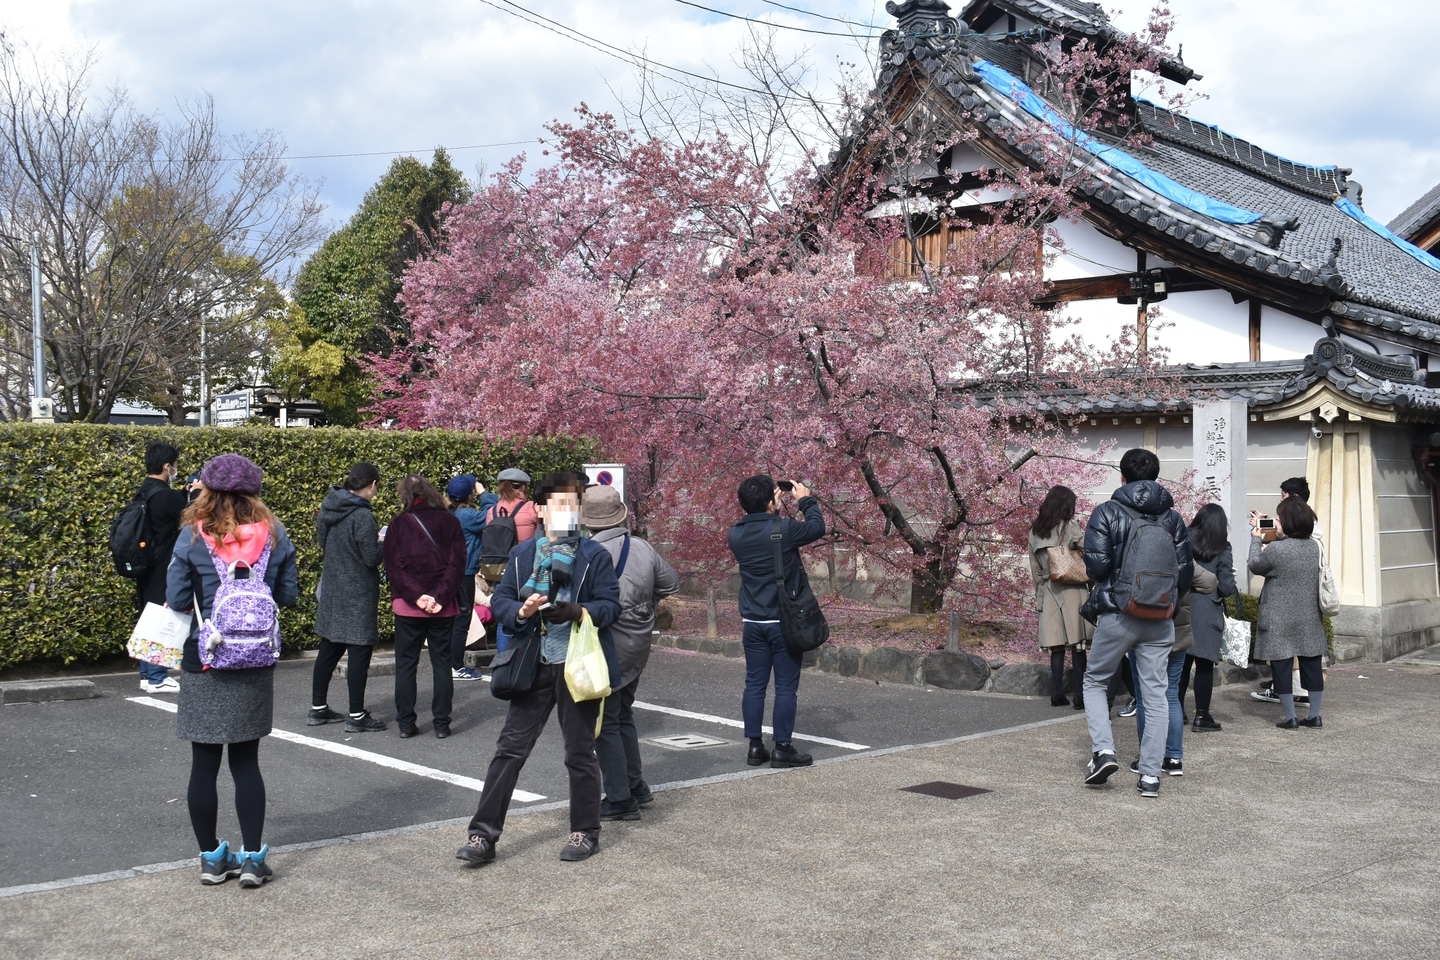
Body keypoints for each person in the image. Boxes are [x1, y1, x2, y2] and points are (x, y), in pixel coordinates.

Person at [458, 472, 622, 866]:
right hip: (532, 660)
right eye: (561, 504)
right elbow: (502, 602)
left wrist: (579, 610)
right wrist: (521, 610)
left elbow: (612, 606)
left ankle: (585, 831)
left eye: (574, 505)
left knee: (580, 752)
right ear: (543, 509)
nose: (568, 512)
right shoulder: (523, 554)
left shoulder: (593, 555)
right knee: (509, 750)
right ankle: (482, 836)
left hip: (576, 663)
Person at [167, 453, 299, 887]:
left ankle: (210, 858)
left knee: (203, 765)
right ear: (254, 493)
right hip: (254, 659)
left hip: (203, 659)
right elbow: (289, 595)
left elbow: (176, 596)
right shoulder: (275, 535)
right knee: (246, 763)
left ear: (207, 490)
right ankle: (253, 861)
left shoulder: (191, 536)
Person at [1079, 448, 1192, 798]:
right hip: (1160, 617)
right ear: (1156, 476)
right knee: (1156, 694)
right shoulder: (1173, 519)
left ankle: (1104, 752)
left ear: (1123, 476)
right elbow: (1184, 574)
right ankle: (1150, 777)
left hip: (1119, 612)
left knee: (1095, 681)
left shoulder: (1107, 512)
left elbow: (1096, 568)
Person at [581, 484, 680, 821]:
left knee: (604, 723)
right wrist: (644, 603)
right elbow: (671, 583)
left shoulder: (587, 552)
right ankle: (635, 785)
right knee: (623, 715)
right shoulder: (641, 546)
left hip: (605, 643)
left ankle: (621, 798)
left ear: (587, 521)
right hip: (639, 642)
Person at [727, 475, 826, 769]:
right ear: (771, 501)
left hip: (753, 621)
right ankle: (783, 747)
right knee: (785, 687)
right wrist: (805, 500)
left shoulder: (735, 534)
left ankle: (755, 747)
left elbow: (765, 534)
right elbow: (816, 527)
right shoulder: (784, 529)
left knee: (755, 684)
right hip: (784, 623)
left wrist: (771, 507)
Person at [383, 475, 467, 739]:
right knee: (442, 663)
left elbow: (393, 567)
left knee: (406, 664)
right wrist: (439, 597)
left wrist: (417, 596)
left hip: (408, 606)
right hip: (443, 606)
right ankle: (441, 723)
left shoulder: (398, 524)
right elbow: (457, 564)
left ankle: (406, 723)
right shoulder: (450, 521)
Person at [309, 463, 387, 733]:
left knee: (329, 648)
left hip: (332, 587)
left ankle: (318, 708)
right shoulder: (363, 517)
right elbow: (370, 558)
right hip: (357, 591)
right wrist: (383, 543)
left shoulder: (328, 509)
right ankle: (356, 714)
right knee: (358, 651)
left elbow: (323, 543)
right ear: (372, 485)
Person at [1248, 497, 1327, 729]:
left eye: (1280, 518)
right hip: (1309, 616)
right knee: (1311, 664)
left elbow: (1255, 564)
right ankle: (1314, 715)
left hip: (1279, 617)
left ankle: (1290, 717)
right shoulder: (1315, 547)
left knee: (1281, 665)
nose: (1278, 521)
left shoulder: (1277, 550)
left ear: (1289, 522)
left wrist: (1256, 538)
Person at [132, 442, 189, 694]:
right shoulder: (167, 495)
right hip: (164, 563)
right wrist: (196, 494)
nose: (176, 469)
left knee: (150, 615)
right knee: (164, 616)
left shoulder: (144, 491)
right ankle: (157, 676)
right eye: (175, 465)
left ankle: (147, 673)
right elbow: (194, 517)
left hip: (146, 562)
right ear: (168, 466)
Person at [1027, 485, 1089, 709]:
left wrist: (1039, 596)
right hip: (1072, 587)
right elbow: (1088, 548)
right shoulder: (1069, 527)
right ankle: (1080, 696)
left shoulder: (1035, 531)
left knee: (1057, 645)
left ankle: (1057, 693)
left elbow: (1035, 569)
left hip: (1049, 588)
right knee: (1078, 644)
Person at [1183, 505, 1237, 732]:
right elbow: (1225, 587)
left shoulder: (1184, 538)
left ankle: (1177, 712)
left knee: (1180, 665)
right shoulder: (1222, 546)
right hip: (1208, 613)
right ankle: (1202, 717)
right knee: (1204, 667)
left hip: (1182, 608)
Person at [446, 473, 498, 681]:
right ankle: (456, 666)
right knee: (462, 618)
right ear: (469, 495)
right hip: (464, 571)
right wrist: (483, 492)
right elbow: (492, 513)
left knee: (451, 618)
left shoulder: (446, 512)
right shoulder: (467, 516)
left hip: (448, 571)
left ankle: (448, 663)